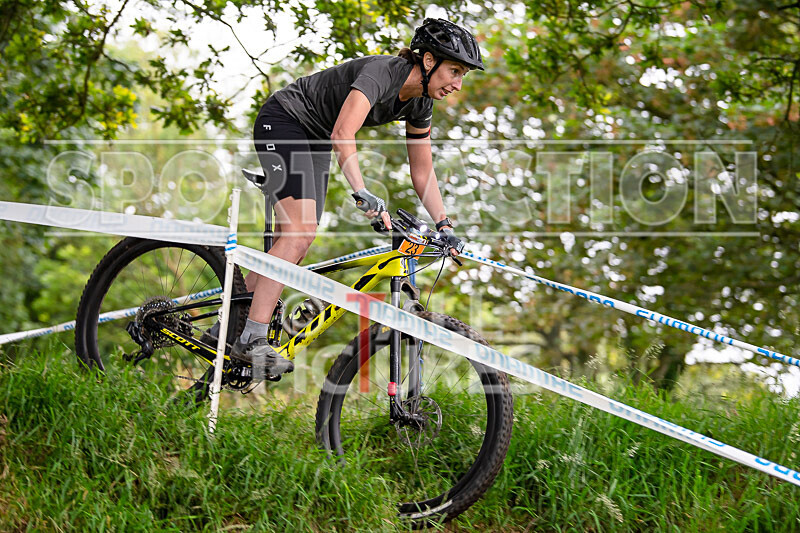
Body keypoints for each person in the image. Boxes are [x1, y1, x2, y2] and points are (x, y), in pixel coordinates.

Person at [235, 18, 483, 374]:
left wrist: (444, 225)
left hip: (315, 136)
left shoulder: (421, 104)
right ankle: (251, 340)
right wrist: (360, 191)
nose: (458, 84)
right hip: (286, 120)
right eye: (454, 71)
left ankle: (229, 325)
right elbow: (343, 132)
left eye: (463, 75)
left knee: (298, 242)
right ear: (429, 61)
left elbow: (422, 171)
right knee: (299, 234)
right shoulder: (383, 72)